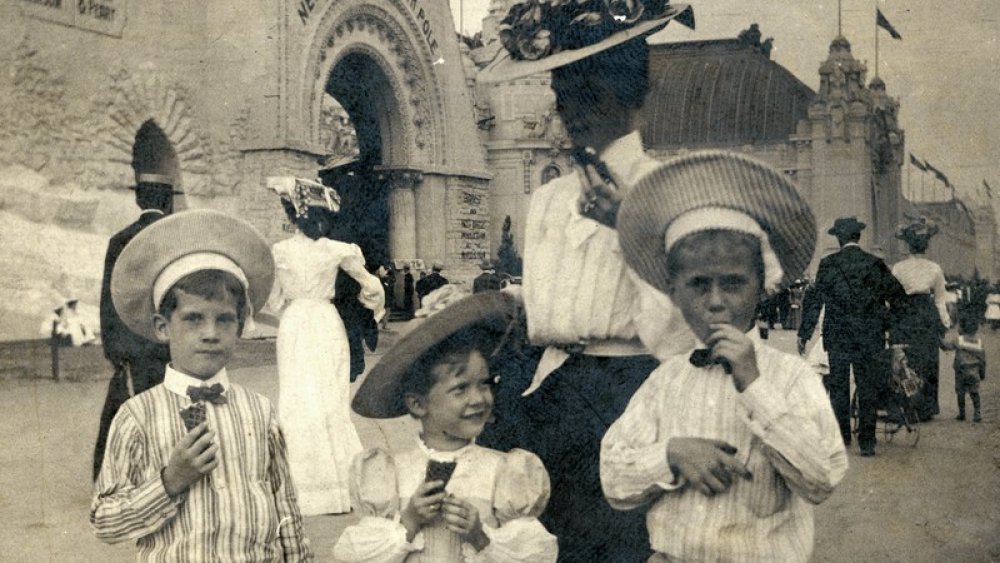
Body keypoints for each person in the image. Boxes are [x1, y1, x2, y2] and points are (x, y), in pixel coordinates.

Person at [478, 3, 696, 560]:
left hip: (626, 390)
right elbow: (553, 302)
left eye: (591, 94)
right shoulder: (549, 196)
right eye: (563, 95)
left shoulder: (666, 189)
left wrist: (630, 231)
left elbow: (678, 331)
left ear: (631, 95)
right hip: (548, 388)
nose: (572, 111)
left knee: (615, 541)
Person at [603, 151, 848, 563]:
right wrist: (670, 454)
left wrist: (755, 388)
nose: (715, 302)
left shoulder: (790, 377)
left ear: (762, 287)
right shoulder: (666, 380)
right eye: (698, 285)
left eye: (733, 284)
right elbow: (614, 478)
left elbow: (820, 479)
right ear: (675, 293)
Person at [90, 209, 312, 561]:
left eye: (224, 320)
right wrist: (169, 482)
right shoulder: (136, 416)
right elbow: (105, 522)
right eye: (193, 319)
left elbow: (286, 510)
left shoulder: (260, 411)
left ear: (240, 326)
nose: (210, 334)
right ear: (163, 327)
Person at [337, 292, 558, 562]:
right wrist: (408, 522)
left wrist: (480, 536)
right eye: (461, 388)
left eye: (485, 383)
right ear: (418, 404)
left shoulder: (503, 472)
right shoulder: (392, 474)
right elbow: (358, 556)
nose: (478, 399)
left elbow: (533, 555)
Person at [266, 176, 385, 515]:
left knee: (297, 399)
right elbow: (373, 286)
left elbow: (273, 299)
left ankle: (301, 490)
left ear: (293, 216)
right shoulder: (337, 250)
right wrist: (373, 307)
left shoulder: (280, 252)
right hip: (325, 322)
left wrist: (285, 303)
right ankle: (338, 488)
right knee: (330, 401)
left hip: (295, 324)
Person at [93, 173, 177, 480]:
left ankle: (123, 473)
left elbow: (108, 298)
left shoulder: (119, 240)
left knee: (130, 408)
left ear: (139, 200)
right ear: (167, 201)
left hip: (131, 343)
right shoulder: (173, 238)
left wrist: (112, 347)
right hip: (168, 341)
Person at [798, 217, 905, 456]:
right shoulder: (875, 264)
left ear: (839, 238)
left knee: (838, 385)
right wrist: (886, 322)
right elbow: (898, 296)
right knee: (867, 386)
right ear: (858, 237)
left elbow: (815, 301)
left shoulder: (828, 264)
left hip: (838, 334)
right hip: (870, 334)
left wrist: (804, 334)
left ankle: (842, 436)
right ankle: (867, 441)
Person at [890, 217, 951, 421]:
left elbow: (890, 297)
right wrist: (944, 324)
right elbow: (941, 300)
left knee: (906, 360)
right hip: (926, 315)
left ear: (907, 244)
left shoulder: (898, 268)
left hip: (904, 315)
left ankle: (908, 403)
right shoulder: (934, 268)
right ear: (925, 245)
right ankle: (926, 407)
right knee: (928, 360)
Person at [941, 307, 986, 423]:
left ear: (961, 328)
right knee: (974, 393)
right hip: (974, 372)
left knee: (960, 393)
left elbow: (946, 346)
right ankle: (977, 412)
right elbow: (982, 360)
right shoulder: (979, 343)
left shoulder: (958, 340)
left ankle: (962, 413)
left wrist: (938, 339)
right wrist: (982, 373)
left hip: (961, 371)